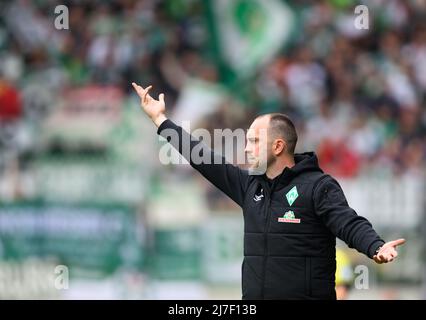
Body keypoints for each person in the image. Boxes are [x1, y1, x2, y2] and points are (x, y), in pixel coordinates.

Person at [132, 82, 406, 300]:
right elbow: (203, 158)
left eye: (254, 140)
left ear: (277, 147)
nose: (247, 147)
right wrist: (161, 121)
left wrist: (375, 246)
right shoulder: (249, 186)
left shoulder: (318, 187)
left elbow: (348, 222)